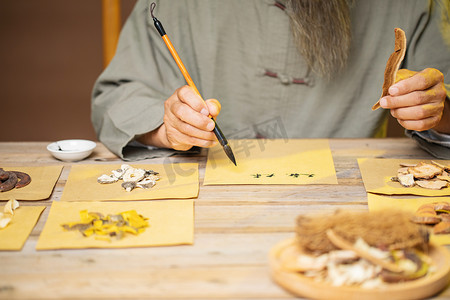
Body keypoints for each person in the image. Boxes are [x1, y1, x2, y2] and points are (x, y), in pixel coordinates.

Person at [92, 0, 450, 160]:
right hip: (204, 199)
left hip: (350, 200)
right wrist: (167, 128)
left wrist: (435, 108)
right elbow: (119, 96)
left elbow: (442, 97)